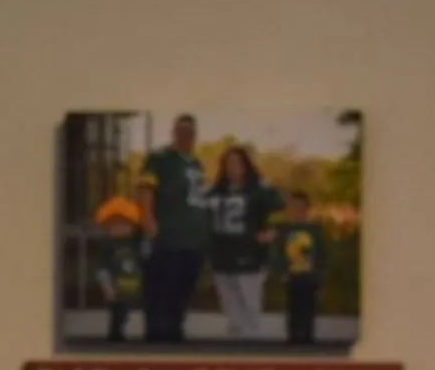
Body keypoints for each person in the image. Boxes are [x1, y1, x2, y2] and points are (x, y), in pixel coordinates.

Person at [138, 114, 209, 343]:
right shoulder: (160, 159)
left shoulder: (196, 163)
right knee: (161, 288)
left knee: (184, 288)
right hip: (168, 237)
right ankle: (157, 335)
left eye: (191, 132)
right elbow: (145, 188)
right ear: (174, 132)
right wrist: (148, 219)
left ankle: (175, 331)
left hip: (193, 240)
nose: (186, 136)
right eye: (182, 131)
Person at [205, 144, 282, 339]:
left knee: (250, 307)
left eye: (238, 162)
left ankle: (251, 347)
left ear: (246, 164)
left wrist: (272, 232)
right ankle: (235, 345)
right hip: (222, 256)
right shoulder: (215, 191)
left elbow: (281, 211)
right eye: (229, 163)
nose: (234, 166)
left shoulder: (259, 190)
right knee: (231, 308)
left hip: (250, 255)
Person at [273, 188, 332, 346]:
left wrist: (320, 272)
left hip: (309, 274)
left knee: (309, 306)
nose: (296, 211)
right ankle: (294, 335)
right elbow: (278, 251)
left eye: (300, 208)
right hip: (291, 274)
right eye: (293, 208)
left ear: (307, 209)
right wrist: (280, 270)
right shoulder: (284, 230)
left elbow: (321, 252)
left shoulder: (314, 230)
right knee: (293, 306)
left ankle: (307, 335)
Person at [90, 195, 148, 344]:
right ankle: (116, 334)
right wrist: (107, 287)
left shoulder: (135, 242)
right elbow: (101, 267)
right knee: (118, 311)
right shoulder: (107, 245)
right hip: (116, 286)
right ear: (106, 227)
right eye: (114, 225)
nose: (120, 229)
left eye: (125, 225)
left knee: (137, 311)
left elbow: (144, 257)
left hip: (135, 285)